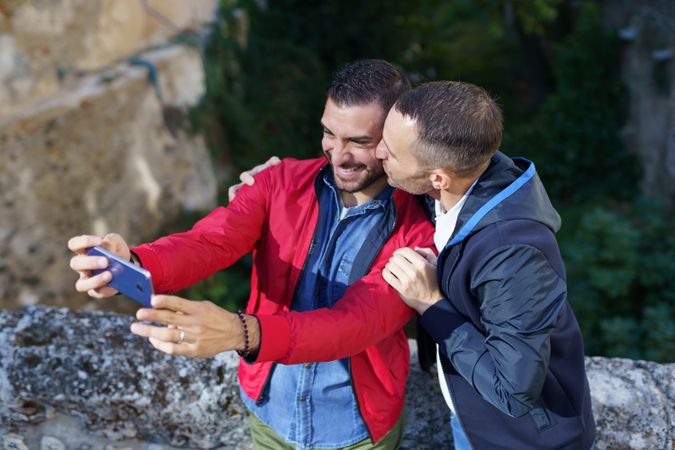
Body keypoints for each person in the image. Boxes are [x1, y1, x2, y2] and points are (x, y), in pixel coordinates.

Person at [68, 59, 434, 450]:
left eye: (359, 142)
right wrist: (136, 263)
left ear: (395, 137)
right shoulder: (277, 181)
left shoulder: (420, 228)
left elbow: (354, 324)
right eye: (329, 133)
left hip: (357, 427)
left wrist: (240, 333)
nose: (337, 155)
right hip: (268, 411)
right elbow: (212, 241)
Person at [377, 81, 596, 450]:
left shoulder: (514, 254)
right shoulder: (458, 183)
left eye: (392, 151)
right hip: (472, 419)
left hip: (525, 441)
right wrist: (273, 179)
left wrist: (431, 304)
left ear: (438, 177)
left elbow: (512, 391)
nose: (379, 151)